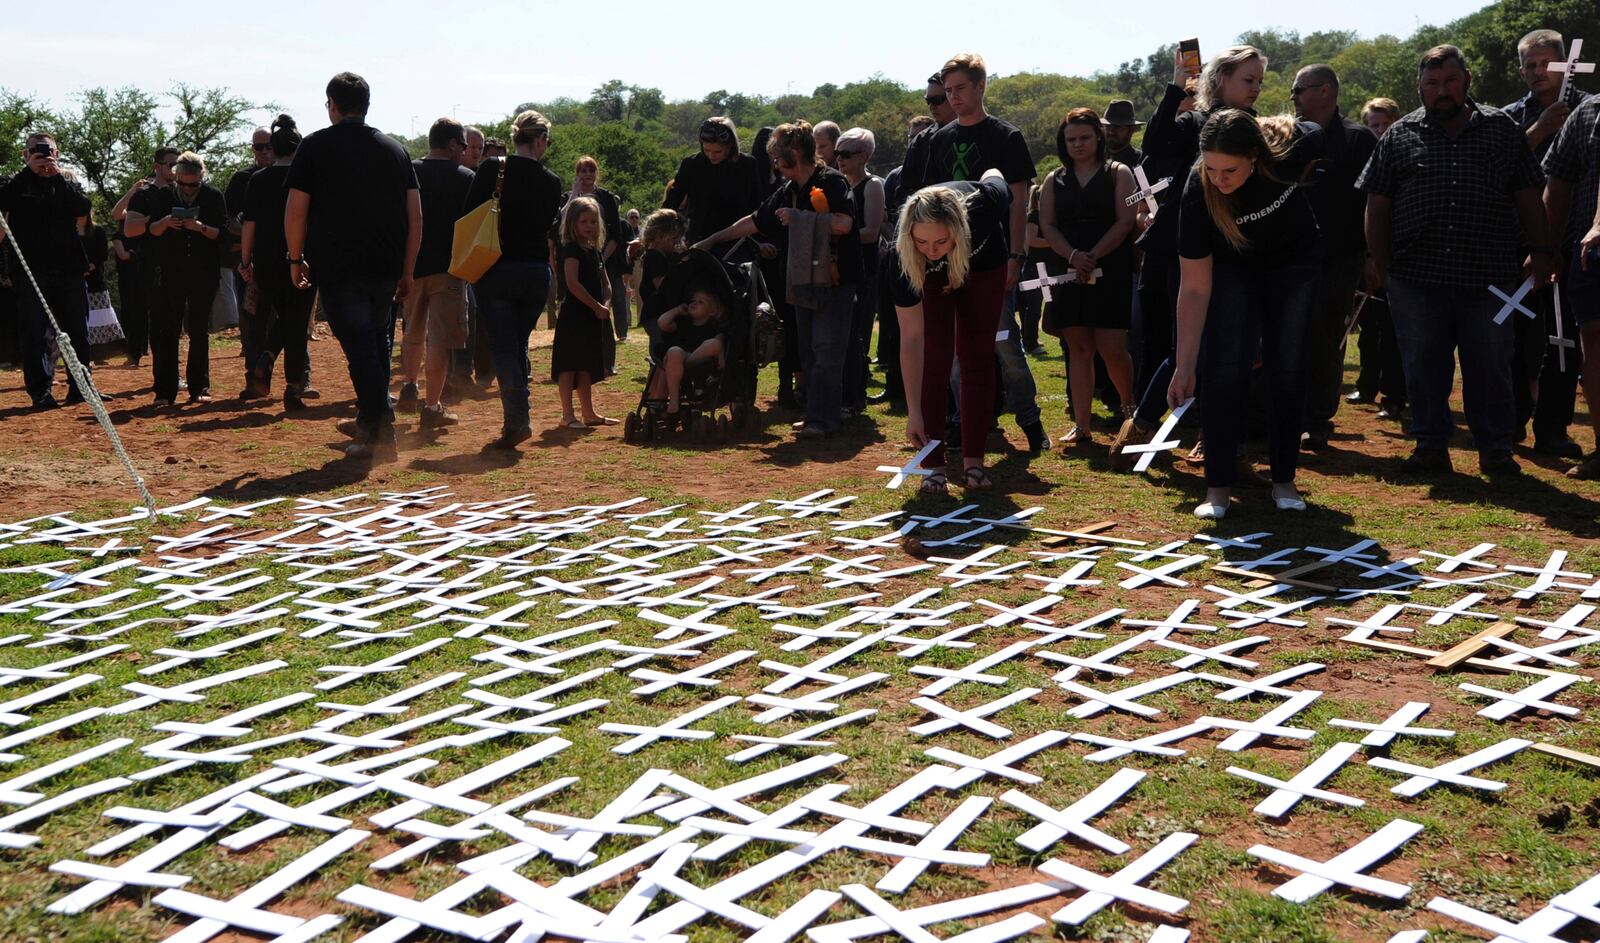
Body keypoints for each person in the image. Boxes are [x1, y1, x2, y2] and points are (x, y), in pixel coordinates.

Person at [1358, 45, 1556, 477]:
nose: (1441, 91)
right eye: (1432, 84)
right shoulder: (1399, 134)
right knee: (1424, 363)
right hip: (1415, 276)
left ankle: (1495, 449)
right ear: (1420, 88)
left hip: (1490, 276)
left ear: (1467, 80)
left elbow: (1528, 195)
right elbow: (1377, 203)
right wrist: (1380, 262)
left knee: (1490, 364)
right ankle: (1430, 446)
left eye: (1450, 81)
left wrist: (1542, 251)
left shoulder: (1502, 129)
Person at [1112, 44, 1267, 471]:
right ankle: (1142, 426)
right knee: (1186, 348)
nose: (1255, 88)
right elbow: (1155, 143)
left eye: (1258, 81)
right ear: (1220, 80)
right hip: (1181, 251)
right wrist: (1176, 85)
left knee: (1233, 352)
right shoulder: (1194, 121)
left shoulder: (1256, 129)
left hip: (1235, 255)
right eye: (1247, 80)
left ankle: (1221, 443)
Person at [1167, 111, 1323, 519]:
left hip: (1295, 263)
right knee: (1222, 368)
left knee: (1286, 366)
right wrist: (1184, 367)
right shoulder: (1197, 193)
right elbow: (1195, 288)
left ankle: (1284, 480)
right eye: (1211, 167)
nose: (1219, 178)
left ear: (1254, 156)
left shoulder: (1289, 154)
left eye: (1230, 169)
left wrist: (1275, 124)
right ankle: (1217, 489)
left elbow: (1317, 131)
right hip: (1233, 267)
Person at [907, 53, 1046, 454]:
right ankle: (968, 426)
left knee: (1003, 345)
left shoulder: (1005, 136)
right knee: (952, 352)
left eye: (961, 89)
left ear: (981, 86)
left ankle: (1030, 422)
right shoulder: (937, 139)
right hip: (947, 261)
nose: (954, 98)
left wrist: (1015, 257)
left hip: (993, 258)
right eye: (948, 91)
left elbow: (1018, 201)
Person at [285, 71, 422, 461]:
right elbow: (416, 216)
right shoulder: (395, 150)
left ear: (331, 105)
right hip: (386, 265)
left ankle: (384, 427)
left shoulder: (314, 147)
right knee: (375, 341)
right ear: (367, 105)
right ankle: (370, 421)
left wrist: (295, 258)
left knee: (360, 346)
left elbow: (296, 212)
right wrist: (408, 268)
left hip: (338, 265)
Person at [695, 121, 860, 440]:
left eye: (777, 157)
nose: (774, 164)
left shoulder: (833, 182)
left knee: (827, 349)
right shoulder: (789, 189)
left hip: (836, 282)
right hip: (804, 280)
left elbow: (844, 223)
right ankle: (815, 414)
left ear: (794, 154)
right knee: (809, 350)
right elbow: (755, 221)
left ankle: (826, 419)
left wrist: (800, 218)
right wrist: (713, 240)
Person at [895, 169, 1013, 493]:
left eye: (940, 241)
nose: (931, 249)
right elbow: (912, 341)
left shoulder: (984, 207)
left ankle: (974, 464)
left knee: (976, 355)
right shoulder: (904, 256)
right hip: (929, 277)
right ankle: (933, 466)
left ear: (957, 229)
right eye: (922, 241)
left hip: (984, 263)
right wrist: (914, 412)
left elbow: (995, 175)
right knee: (937, 356)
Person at [1505, 29, 1592, 458]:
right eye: (1531, 65)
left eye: (1547, 63)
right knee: (1515, 337)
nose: (1539, 72)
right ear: (1521, 71)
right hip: (1515, 243)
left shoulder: (1591, 111)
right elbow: (1494, 165)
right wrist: (1539, 130)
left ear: (1567, 64)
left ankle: (1553, 428)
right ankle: (1510, 422)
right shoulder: (1505, 117)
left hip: (1574, 243)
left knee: (1564, 339)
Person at [1038, 107, 1137, 450]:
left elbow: (1126, 220)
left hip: (1111, 268)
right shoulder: (1054, 179)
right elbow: (1047, 225)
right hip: (1068, 269)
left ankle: (1131, 417)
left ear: (1098, 136)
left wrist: (1093, 255)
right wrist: (1073, 256)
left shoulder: (1118, 173)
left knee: (1112, 348)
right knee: (1077, 348)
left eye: (1084, 137)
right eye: (1070, 139)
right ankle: (1082, 426)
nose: (1077, 144)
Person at [466, 109, 563, 451]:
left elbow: (469, 213)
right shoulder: (553, 182)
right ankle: (521, 414)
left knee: (505, 347)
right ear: (539, 140)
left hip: (497, 269)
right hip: (536, 273)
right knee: (518, 343)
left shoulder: (494, 168)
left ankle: (517, 420)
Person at [1293, 64, 1377, 452]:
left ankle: (1317, 421)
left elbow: (1372, 201)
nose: (1293, 96)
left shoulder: (1359, 140)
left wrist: (1371, 255)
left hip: (1340, 257)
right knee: (1288, 335)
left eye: (1301, 89)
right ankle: (1281, 415)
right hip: (1291, 255)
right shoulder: (1288, 136)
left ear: (1325, 91)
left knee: (1326, 337)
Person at [0, 132, 92, 409]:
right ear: (25, 154)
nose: (42, 156)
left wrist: (55, 177)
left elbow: (82, 208)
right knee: (35, 333)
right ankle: (40, 392)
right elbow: (3, 200)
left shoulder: (66, 183)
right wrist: (28, 172)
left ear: (57, 152)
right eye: (34, 151)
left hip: (69, 268)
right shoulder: (13, 183)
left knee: (78, 331)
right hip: (31, 271)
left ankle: (81, 389)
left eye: (47, 150)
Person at [396, 118, 474, 430]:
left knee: (412, 332)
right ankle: (431, 407)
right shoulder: (467, 178)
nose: (465, 151)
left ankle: (410, 384)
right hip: (450, 270)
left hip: (412, 268)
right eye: (463, 145)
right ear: (452, 144)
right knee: (439, 340)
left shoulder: (410, 171)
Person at [134, 151, 228, 406]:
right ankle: (165, 391)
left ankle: (199, 386)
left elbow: (223, 234)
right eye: (183, 183)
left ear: (201, 177)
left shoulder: (213, 196)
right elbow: (150, 231)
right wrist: (165, 222)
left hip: (203, 272)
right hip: (170, 273)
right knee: (168, 331)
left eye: (193, 183)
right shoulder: (164, 195)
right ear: (175, 178)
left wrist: (200, 228)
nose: (187, 189)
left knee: (199, 331)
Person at [1543, 92, 1600, 478]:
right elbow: (1558, 181)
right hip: (1590, 253)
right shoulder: (1589, 112)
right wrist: (1544, 245)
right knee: (1594, 339)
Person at [239, 114, 313, 412]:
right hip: (301, 259)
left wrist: (246, 261)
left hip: (267, 261)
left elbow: (249, 225)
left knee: (279, 318)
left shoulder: (257, 180)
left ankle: (266, 357)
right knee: (295, 324)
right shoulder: (306, 179)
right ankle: (292, 389)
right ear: (297, 149)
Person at [1349, 97, 1407, 420]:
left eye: (1386, 124)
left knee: (1392, 329)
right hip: (1366, 255)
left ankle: (1395, 395)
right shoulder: (1361, 156)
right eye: (1374, 125)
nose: (1380, 130)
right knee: (1369, 326)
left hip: (1396, 256)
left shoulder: (1402, 154)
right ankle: (1367, 384)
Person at [112, 146, 179, 368]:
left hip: (178, 264)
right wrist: (156, 221)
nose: (175, 169)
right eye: (171, 164)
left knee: (174, 322)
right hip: (150, 265)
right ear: (157, 166)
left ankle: (170, 371)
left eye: (179, 164)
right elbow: (129, 229)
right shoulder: (143, 195)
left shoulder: (182, 192)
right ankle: (161, 372)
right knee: (155, 319)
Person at [552, 196, 616, 429]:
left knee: (587, 364)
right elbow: (572, 283)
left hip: (593, 315)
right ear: (572, 224)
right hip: (575, 314)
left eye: (592, 221)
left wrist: (606, 305)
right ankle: (567, 415)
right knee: (569, 366)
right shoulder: (571, 249)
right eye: (583, 222)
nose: (589, 226)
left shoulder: (595, 251)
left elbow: (606, 284)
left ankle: (588, 413)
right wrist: (595, 306)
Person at [835, 127, 884, 416]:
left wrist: (836, 233)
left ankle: (854, 398)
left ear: (863, 157)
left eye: (846, 154)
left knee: (857, 335)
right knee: (842, 333)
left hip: (864, 270)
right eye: (837, 153)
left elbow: (872, 231)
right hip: (842, 268)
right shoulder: (839, 184)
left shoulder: (872, 186)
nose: (839, 159)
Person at [561, 156, 625, 375]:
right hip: (580, 260)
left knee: (607, 309)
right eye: (583, 170)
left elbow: (615, 233)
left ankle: (608, 361)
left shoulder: (606, 197)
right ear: (577, 173)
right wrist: (575, 193)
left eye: (591, 170)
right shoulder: (569, 197)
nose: (587, 174)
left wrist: (600, 260)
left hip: (604, 257)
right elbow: (559, 228)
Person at [663, 117, 763, 247]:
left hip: (738, 243)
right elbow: (671, 203)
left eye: (717, 151)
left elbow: (757, 207)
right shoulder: (692, 164)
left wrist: (760, 242)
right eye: (706, 150)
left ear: (730, 145)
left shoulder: (747, 165)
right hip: (699, 241)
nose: (711, 156)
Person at [225, 127, 272, 378]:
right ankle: (253, 375)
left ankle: (298, 380)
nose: (264, 151)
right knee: (250, 314)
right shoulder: (242, 178)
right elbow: (227, 215)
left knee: (288, 318)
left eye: (269, 145)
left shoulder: (291, 174)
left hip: (283, 258)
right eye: (259, 147)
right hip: (249, 260)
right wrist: (246, 234)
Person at [653, 287, 726, 420]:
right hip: (680, 360)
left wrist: (722, 360)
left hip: (700, 361)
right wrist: (677, 310)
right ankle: (674, 400)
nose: (694, 303)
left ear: (713, 310)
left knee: (714, 343)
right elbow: (662, 323)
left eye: (701, 302)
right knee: (674, 350)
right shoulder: (683, 323)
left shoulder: (715, 327)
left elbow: (719, 344)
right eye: (693, 300)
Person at [636, 208, 685, 366]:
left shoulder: (662, 256)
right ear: (661, 235)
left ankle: (657, 387)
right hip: (656, 316)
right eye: (673, 239)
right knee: (662, 356)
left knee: (662, 360)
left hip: (659, 315)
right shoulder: (655, 257)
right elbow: (663, 286)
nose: (676, 243)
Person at [1102, 100, 1145, 168]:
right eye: (1108, 126)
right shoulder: (1092, 157)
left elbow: (1141, 179)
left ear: (1131, 130)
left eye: (1118, 127)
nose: (1111, 132)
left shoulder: (1139, 161)